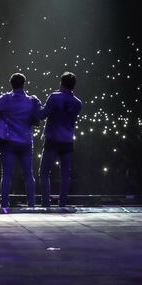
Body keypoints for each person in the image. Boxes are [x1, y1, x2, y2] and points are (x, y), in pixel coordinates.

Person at [0, 73, 41, 209]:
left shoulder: (6, 99)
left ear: (11, 84)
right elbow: (36, 120)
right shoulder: (31, 101)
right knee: (28, 173)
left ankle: (4, 204)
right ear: (24, 84)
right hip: (25, 141)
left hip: (8, 141)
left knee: (7, 174)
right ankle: (31, 204)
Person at [38, 72, 82, 207]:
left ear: (61, 82)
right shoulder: (78, 103)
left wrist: (36, 104)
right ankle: (62, 203)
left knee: (44, 172)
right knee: (65, 174)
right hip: (68, 141)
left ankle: (46, 202)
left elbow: (42, 114)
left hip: (52, 139)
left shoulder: (54, 97)